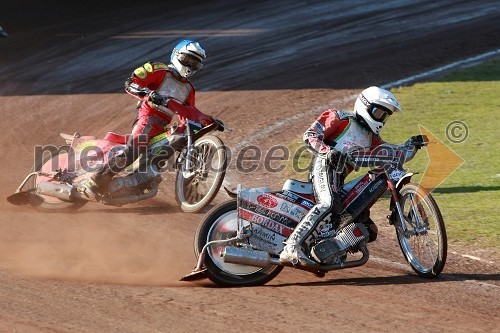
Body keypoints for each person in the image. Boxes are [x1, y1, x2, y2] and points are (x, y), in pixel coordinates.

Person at [279, 86, 402, 265]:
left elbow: (389, 152)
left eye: (385, 116)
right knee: (329, 204)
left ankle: (329, 249)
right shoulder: (339, 117)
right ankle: (291, 247)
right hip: (325, 166)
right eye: (378, 112)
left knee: (369, 229)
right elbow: (311, 135)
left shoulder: (371, 137)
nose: (381, 119)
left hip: (340, 178)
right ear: (365, 105)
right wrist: (328, 151)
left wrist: (410, 145)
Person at [78, 40, 215, 200]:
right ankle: (95, 180)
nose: (190, 65)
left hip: (162, 126)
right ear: (176, 55)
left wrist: (208, 121)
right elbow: (131, 82)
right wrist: (148, 94)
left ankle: (135, 183)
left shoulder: (188, 89)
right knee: (135, 148)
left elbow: (189, 113)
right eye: (187, 59)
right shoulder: (160, 70)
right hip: (147, 116)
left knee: (164, 152)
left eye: (194, 63)